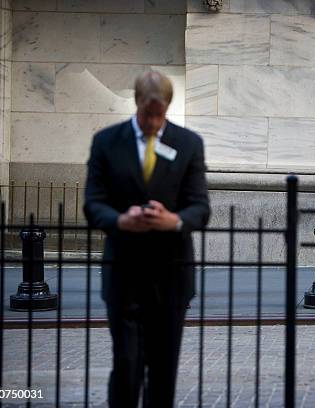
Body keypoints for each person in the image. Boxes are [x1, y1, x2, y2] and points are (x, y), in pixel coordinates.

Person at [84, 71, 210, 407]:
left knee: (163, 370)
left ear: (167, 107)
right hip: (124, 273)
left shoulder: (188, 144)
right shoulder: (107, 142)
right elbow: (93, 204)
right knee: (127, 364)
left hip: (171, 276)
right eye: (146, 115)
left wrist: (174, 220)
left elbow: (200, 208)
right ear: (137, 103)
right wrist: (121, 220)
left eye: (159, 115)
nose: (153, 122)